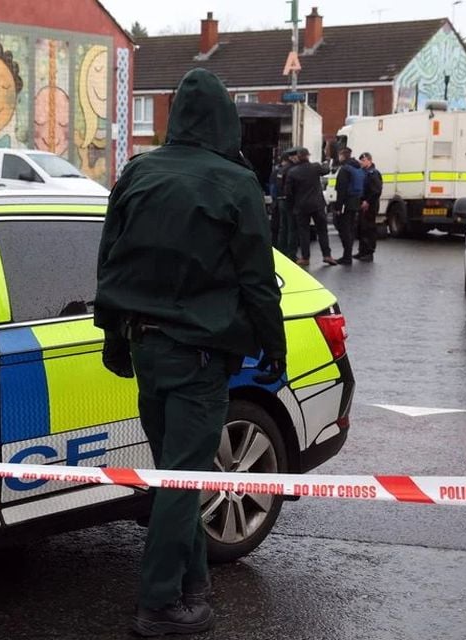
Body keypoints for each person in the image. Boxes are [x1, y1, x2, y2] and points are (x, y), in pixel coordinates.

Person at [94, 68, 287, 637]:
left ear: (176, 116)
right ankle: (159, 605)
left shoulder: (138, 172)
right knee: (182, 483)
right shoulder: (236, 182)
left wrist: (113, 337)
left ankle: (191, 584)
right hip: (199, 359)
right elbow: (257, 280)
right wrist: (273, 348)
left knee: (175, 475)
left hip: (146, 350)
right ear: (226, 120)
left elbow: (110, 262)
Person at [285, 147, 338, 267]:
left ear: (298, 157)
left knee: (304, 232)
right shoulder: (315, 167)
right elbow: (326, 170)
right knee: (322, 230)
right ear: (308, 156)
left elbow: (288, 192)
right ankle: (327, 255)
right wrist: (327, 160)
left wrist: (292, 205)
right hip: (317, 204)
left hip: (301, 206)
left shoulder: (292, 172)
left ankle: (305, 257)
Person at [333, 147, 365, 264]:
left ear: (342, 156)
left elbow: (341, 190)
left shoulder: (344, 170)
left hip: (346, 203)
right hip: (355, 202)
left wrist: (338, 207)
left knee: (344, 229)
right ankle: (348, 254)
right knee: (350, 228)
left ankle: (347, 256)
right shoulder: (357, 168)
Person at [356, 152, 383, 262]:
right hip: (363, 203)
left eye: (363, 160)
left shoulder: (373, 173)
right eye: (361, 161)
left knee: (369, 228)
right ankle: (362, 251)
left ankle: (369, 252)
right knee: (362, 228)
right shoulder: (364, 172)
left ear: (369, 160)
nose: (361, 163)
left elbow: (376, 191)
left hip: (370, 205)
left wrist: (367, 201)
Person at [275, 148, 300, 259]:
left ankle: (281, 251)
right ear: (292, 157)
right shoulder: (293, 169)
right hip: (290, 201)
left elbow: (277, 186)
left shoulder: (281, 170)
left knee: (283, 227)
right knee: (292, 228)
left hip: (281, 200)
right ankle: (291, 253)